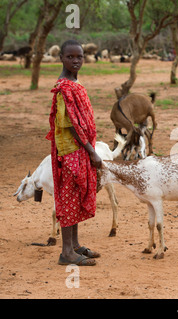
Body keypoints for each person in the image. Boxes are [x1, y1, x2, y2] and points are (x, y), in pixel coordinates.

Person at [45, 39, 102, 266]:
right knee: (68, 199)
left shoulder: (73, 83)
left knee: (75, 197)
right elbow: (72, 125)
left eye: (79, 57)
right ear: (61, 58)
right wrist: (91, 151)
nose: (76, 60)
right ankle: (66, 252)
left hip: (79, 149)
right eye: (70, 57)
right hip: (71, 152)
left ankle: (75, 245)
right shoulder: (64, 89)